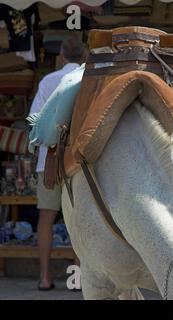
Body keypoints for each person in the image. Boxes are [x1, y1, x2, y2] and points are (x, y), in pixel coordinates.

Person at [29, 34, 85, 291]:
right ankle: (79, 279)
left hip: (47, 162)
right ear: (83, 56)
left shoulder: (48, 81)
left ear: (62, 56)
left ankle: (44, 278)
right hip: (79, 163)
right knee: (80, 222)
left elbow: (33, 122)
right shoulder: (88, 80)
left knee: (46, 220)